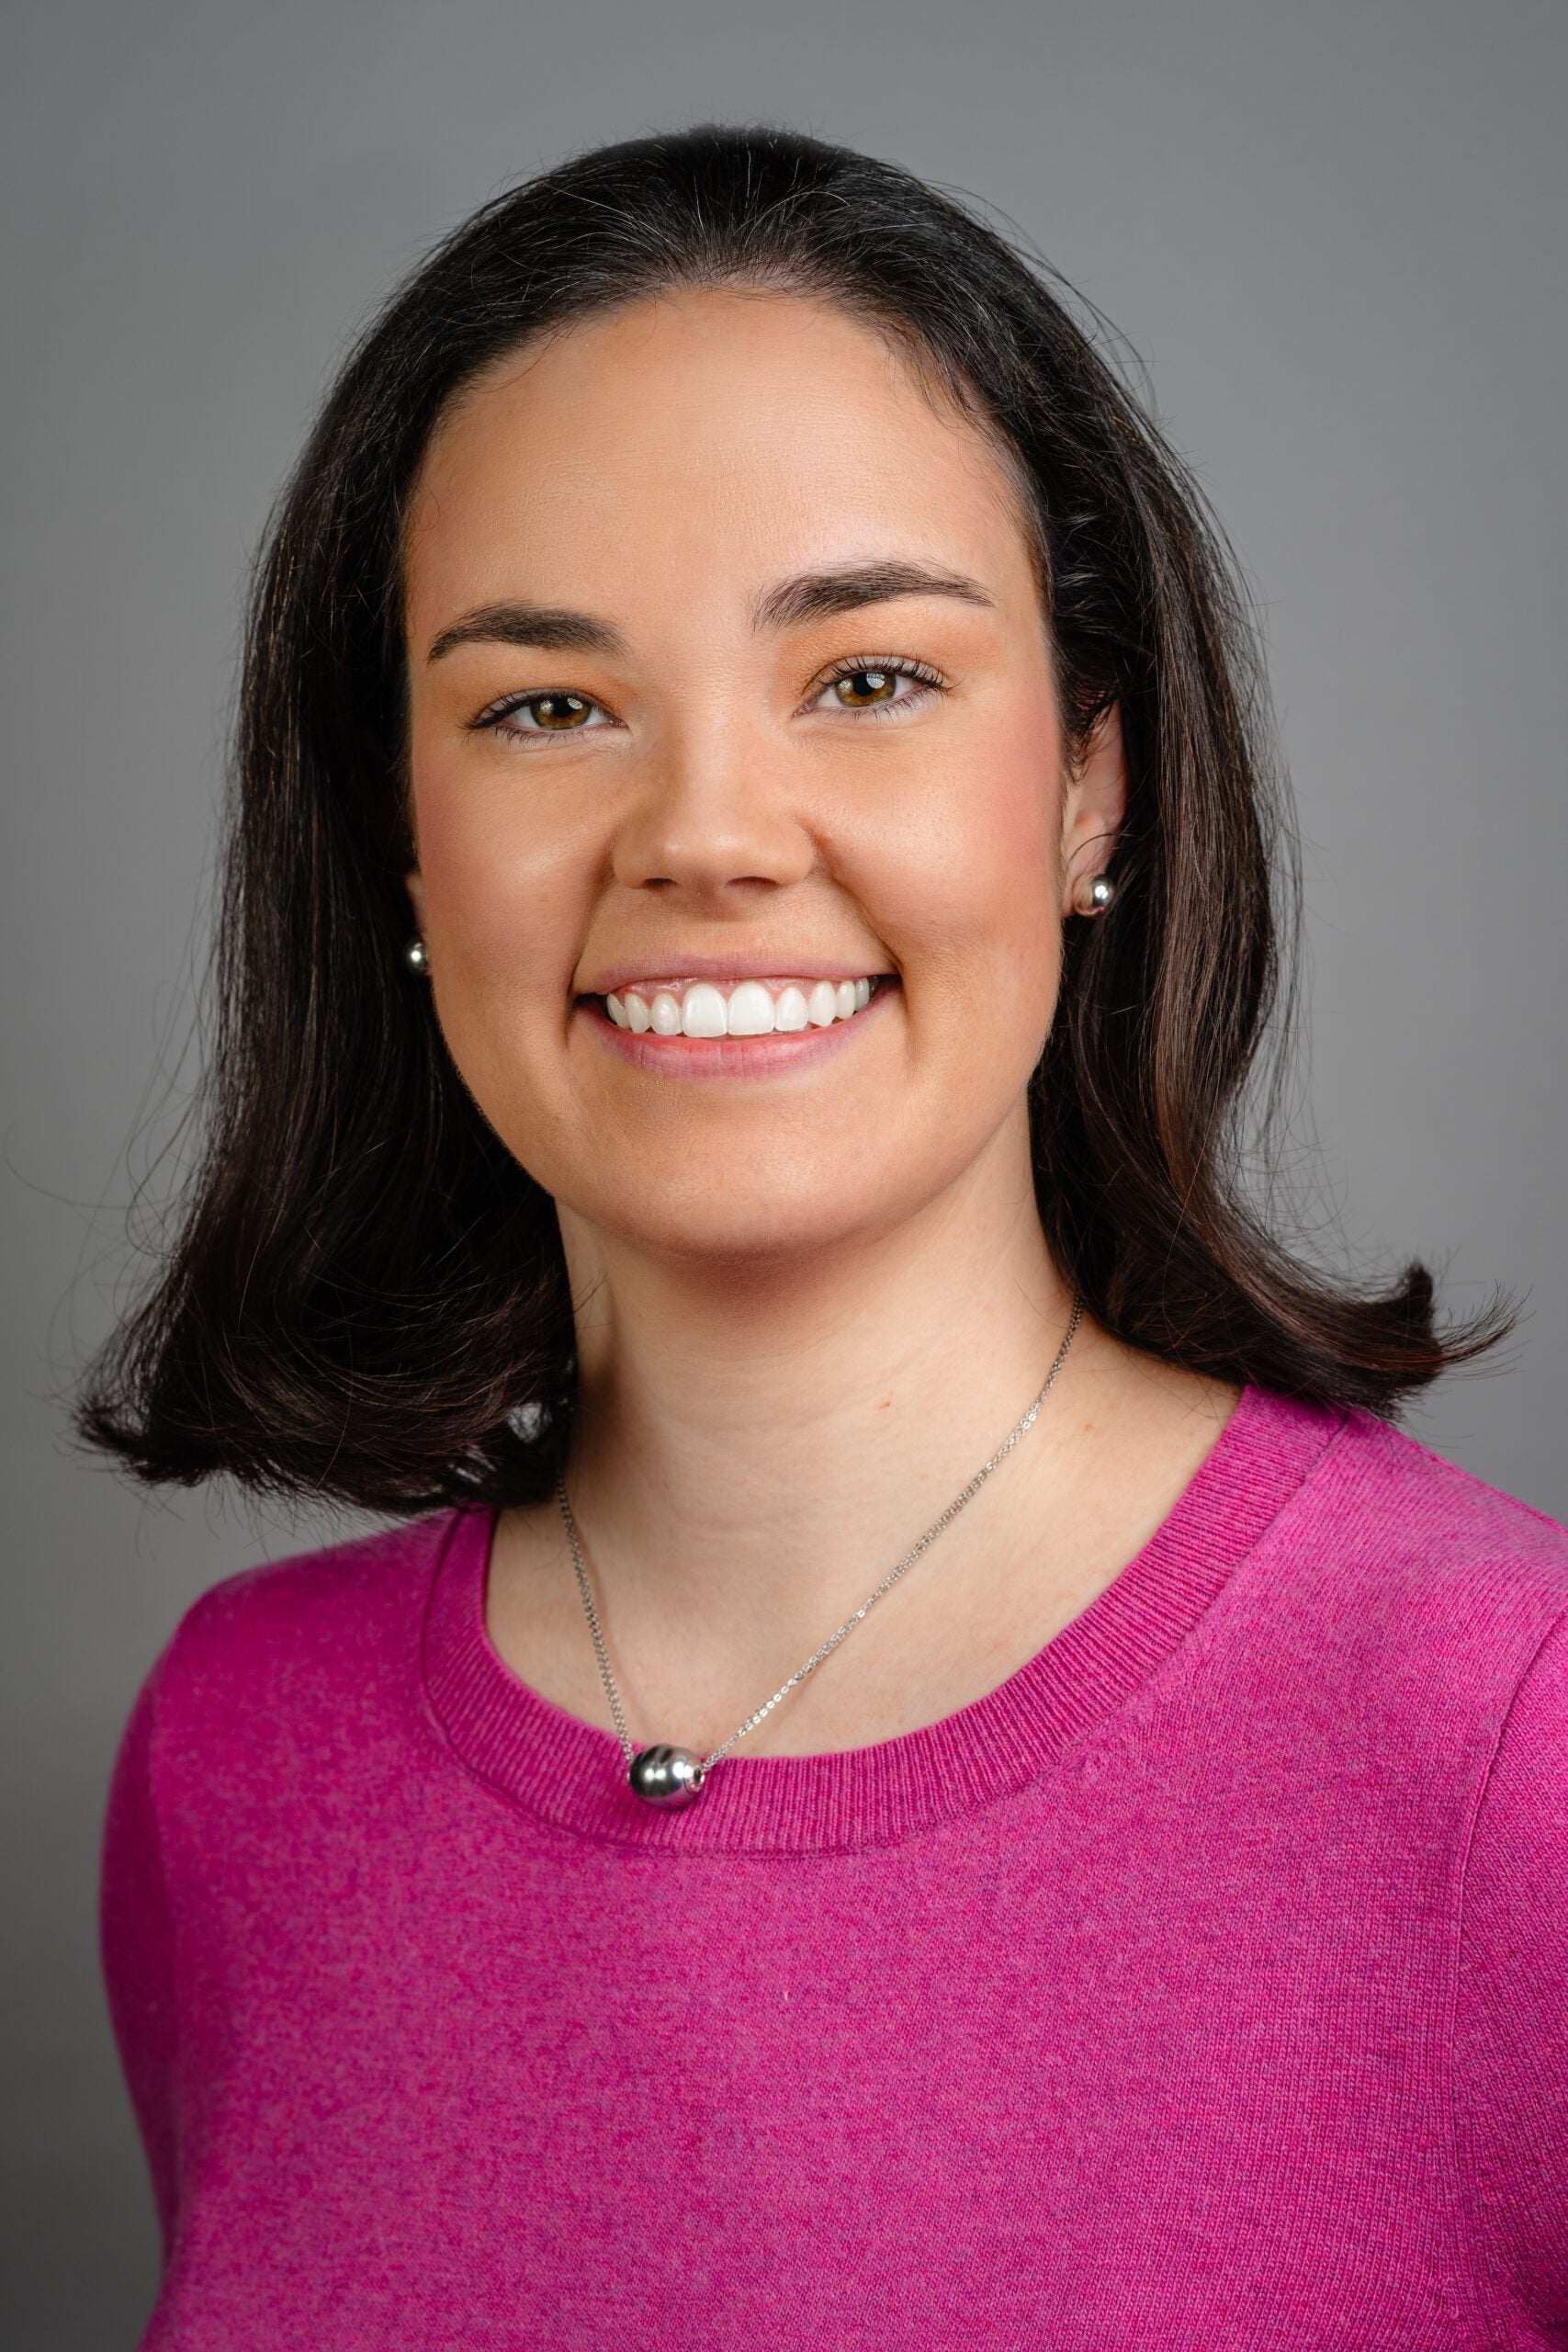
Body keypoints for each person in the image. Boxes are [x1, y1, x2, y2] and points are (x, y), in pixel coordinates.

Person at [83, 122, 1567, 2347]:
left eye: (866, 675)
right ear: (400, 835)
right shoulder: (232, 1764)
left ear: (1090, 782)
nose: (701, 833)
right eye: (543, 706)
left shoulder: (1500, 1742)